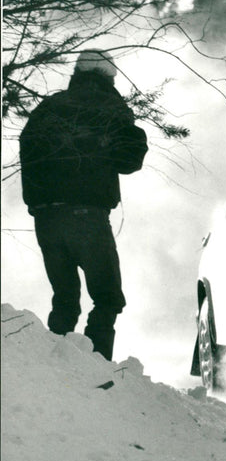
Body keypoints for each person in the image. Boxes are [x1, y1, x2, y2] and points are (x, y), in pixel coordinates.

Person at [19, 49, 148, 361]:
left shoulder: (48, 106)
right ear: (108, 77)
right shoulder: (111, 107)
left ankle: (58, 365)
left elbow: (27, 150)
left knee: (65, 298)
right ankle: (97, 362)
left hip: (47, 218)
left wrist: (39, 204)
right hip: (88, 217)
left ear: (77, 73)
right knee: (107, 297)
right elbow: (128, 161)